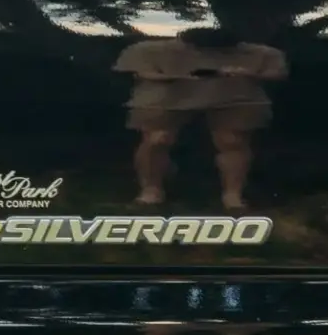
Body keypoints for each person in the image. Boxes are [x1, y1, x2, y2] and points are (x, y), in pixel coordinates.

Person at [114, 27, 288, 210]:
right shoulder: (150, 49)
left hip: (234, 95)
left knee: (232, 141)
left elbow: (278, 73)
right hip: (167, 96)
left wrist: (248, 73)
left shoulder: (260, 53)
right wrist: (177, 77)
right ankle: (151, 190)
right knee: (158, 139)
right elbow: (141, 73)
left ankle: (233, 195)